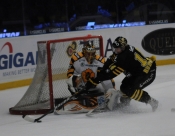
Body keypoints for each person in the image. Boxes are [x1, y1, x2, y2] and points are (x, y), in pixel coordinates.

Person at [85, 36, 159, 112]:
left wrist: (96, 80)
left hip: (147, 73)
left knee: (129, 89)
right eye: (115, 48)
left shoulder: (124, 57)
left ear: (123, 47)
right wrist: (103, 70)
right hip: (137, 72)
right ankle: (125, 104)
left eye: (117, 48)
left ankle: (153, 102)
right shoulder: (122, 51)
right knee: (124, 86)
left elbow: (112, 74)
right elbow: (110, 60)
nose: (115, 50)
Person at [54, 41, 117, 115]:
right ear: (84, 52)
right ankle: (79, 99)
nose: (90, 56)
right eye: (88, 53)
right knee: (72, 80)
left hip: (95, 87)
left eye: (92, 53)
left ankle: (106, 98)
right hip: (81, 88)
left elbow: (108, 76)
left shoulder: (100, 61)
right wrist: (75, 83)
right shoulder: (76, 58)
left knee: (106, 80)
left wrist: (111, 90)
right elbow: (70, 74)